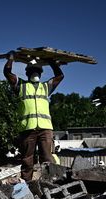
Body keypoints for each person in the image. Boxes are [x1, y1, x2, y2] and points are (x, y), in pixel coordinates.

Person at [4, 51, 64, 181]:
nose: (34, 73)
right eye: (31, 71)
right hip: (27, 129)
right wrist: (11, 59)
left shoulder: (46, 87)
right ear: (26, 73)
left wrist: (51, 62)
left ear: (41, 74)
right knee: (27, 160)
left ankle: (48, 183)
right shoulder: (21, 86)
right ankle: (27, 185)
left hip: (45, 129)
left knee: (47, 159)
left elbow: (60, 75)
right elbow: (7, 73)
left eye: (37, 71)